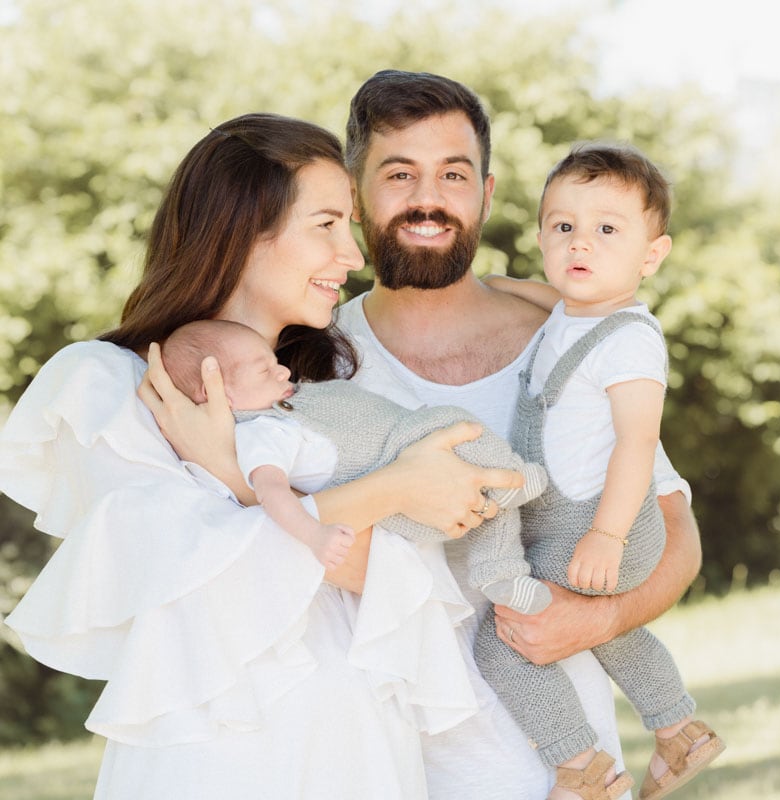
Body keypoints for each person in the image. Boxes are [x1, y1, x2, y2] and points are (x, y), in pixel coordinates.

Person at [0, 113, 525, 798]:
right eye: (326, 225)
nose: (352, 253)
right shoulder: (112, 386)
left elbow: (406, 585)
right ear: (245, 231)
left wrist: (235, 480)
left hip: (363, 747)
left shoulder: (333, 390)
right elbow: (193, 579)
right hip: (216, 758)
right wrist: (395, 487)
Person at [335, 70, 705, 800]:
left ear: (488, 193)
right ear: (353, 194)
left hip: (567, 779)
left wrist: (595, 620)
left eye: (453, 173)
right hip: (381, 771)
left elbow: (675, 532)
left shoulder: (569, 338)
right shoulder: (316, 364)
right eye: (399, 174)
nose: (428, 197)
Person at [473, 142, 724, 800]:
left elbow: (638, 444)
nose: (579, 244)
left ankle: (580, 765)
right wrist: (487, 287)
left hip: (604, 519)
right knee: (608, 631)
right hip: (569, 519)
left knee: (505, 634)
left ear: (651, 255)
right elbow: (540, 295)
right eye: (563, 228)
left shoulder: (632, 340)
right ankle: (680, 730)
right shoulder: (569, 313)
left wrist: (607, 537)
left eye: (606, 230)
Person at [161, 318, 551, 613]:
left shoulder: (290, 401)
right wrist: (313, 535)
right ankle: (511, 476)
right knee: (454, 424)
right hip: (398, 478)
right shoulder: (262, 434)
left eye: (274, 361)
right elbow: (272, 492)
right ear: (217, 392)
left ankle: (502, 575)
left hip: (408, 454)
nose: (281, 371)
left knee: (481, 487)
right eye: (264, 370)